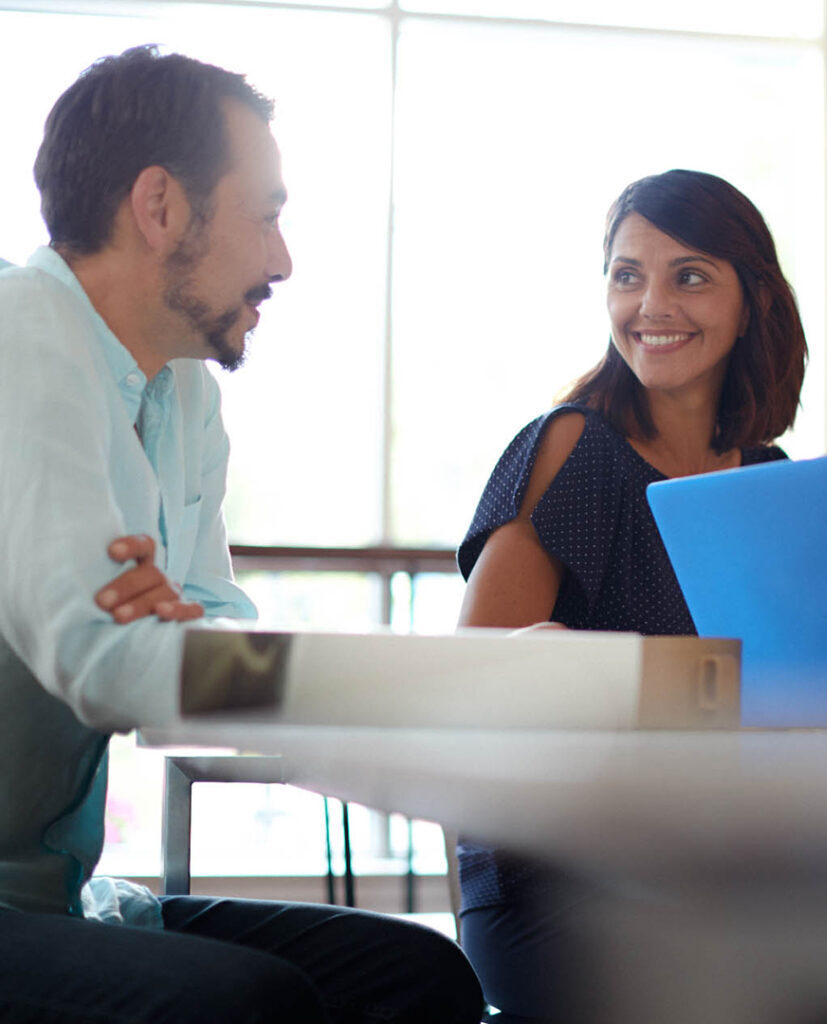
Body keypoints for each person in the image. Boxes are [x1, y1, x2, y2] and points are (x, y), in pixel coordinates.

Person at [0, 46, 483, 1023]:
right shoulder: (20, 331)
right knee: (247, 1002)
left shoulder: (180, 389)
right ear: (161, 205)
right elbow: (103, 659)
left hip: (62, 902)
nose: (283, 259)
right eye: (265, 214)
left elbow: (210, 638)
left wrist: (173, 638)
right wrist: (162, 642)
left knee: (424, 978)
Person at [455, 168, 808, 1017]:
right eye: (627, 275)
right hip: (553, 872)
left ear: (752, 298)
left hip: (715, 857)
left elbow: (819, 683)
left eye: (689, 275)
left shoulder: (769, 478)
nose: (651, 304)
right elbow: (469, 680)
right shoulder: (574, 447)